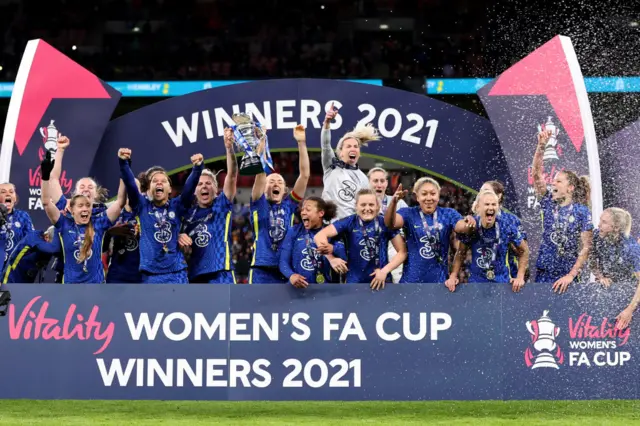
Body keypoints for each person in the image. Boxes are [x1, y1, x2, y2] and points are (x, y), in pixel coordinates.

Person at [119, 148, 203, 284]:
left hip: (176, 272)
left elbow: (189, 188)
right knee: (154, 306)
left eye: (163, 181)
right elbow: (130, 185)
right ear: (148, 189)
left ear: (170, 189)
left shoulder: (177, 205)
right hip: (150, 274)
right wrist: (124, 163)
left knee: (179, 306)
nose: (159, 183)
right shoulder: (142, 205)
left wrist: (197, 168)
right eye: (154, 181)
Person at [40, 151, 126, 284]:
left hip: (96, 287)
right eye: (80, 205)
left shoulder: (100, 221)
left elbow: (121, 202)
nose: (85, 208)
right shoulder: (64, 221)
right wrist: (45, 177)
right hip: (69, 285)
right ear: (71, 208)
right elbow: (47, 201)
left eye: (88, 205)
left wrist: (124, 167)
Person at [532, 130, 593, 293]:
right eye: (553, 180)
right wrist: (541, 147)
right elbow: (537, 176)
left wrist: (571, 275)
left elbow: (587, 247)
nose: (553, 183)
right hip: (543, 275)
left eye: (558, 181)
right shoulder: (548, 202)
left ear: (570, 188)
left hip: (567, 279)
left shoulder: (582, 211)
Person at [249, 124, 310, 284]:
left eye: (279, 182)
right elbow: (260, 171)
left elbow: (304, 176)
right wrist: (261, 140)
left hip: (286, 268)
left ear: (285, 190)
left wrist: (301, 143)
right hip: (260, 268)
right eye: (271, 181)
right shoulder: (258, 203)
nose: (275, 182)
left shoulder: (289, 204)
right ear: (263, 188)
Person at [47, 134, 109, 283]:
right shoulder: (65, 207)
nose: (86, 189)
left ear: (97, 193)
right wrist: (60, 150)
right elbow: (53, 180)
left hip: (94, 277)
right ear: (75, 193)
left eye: (90, 187)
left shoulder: (103, 213)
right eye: (82, 186)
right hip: (68, 273)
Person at [179, 128, 239, 284]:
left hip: (221, 273)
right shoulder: (186, 215)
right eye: (199, 184)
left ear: (216, 188)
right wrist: (178, 238)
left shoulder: (222, 205)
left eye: (208, 183)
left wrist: (229, 148)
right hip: (194, 276)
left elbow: (232, 176)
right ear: (194, 190)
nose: (204, 187)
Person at [315, 189, 407, 288]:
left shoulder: (384, 223)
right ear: (356, 206)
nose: (367, 208)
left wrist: (384, 271)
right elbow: (319, 236)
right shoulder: (349, 222)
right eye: (363, 205)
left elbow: (402, 252)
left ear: (377, 206)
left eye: (371, 205)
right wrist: (331, 259)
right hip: (354, 283)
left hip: (382, 281)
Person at [447, 190, 529, 291]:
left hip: (502, 285)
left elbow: (524, 251)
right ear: (478, 208)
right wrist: (453, 276)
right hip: (476, 285)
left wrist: (520, 277)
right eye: (486, 204)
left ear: (498, 207)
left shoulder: (506, 225)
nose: (490, 207)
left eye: (494, 204)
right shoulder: (472, 226)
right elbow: (460, 253)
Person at [384, 177, 461, 284]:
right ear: (417, 197)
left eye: (433, 194)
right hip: (410, 283)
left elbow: (462, 228)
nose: (429, 198)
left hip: (439, 283)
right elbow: (390, 223)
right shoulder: (408, 213)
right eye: (424, 194)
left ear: (438, 195)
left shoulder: (449, 214)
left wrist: (471, 222)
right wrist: (393, 203)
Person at [321, 104, 378, 220]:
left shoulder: (363, 178)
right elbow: (326, 145)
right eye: (348, 146)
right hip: (327, 225)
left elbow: (364, 206)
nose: (353, 149)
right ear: (340, 152)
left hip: (350, 229)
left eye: (356, 146)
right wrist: (327, 123)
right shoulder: (330, 166)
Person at [279, 197, 348, 287]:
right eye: (302, 209)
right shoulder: (294, 231)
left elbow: (344, 257)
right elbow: (283, 261)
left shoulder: (332, 231)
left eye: (308, 209)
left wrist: (333, 249)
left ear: (321, 213)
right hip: (299, 289)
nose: (303, 212)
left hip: (327, 291)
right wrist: (291, 275)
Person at [369, 167, 408, 283]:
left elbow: (409, 225)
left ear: (386, 183)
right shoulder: (363, 204)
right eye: (375, 181)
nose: (379, 185)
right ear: (368, 183)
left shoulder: (399, 203)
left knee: (396, 288)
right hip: (371, 247)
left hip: (395, 247)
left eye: (382, 181)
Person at [105, 178, 142, 284]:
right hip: (117, 275)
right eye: (128, 187)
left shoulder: (146, 213)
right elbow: (102, 245)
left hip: (141, 275)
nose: (131, 191)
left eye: (135, 188)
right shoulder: (113, 214)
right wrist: (109, 232)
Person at [0, 182, 34, 269]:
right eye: (3, 192)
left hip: (15, 269)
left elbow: (30, 240)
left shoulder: (23, 216)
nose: (8, 194)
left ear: (15, 198)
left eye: (11, 192)